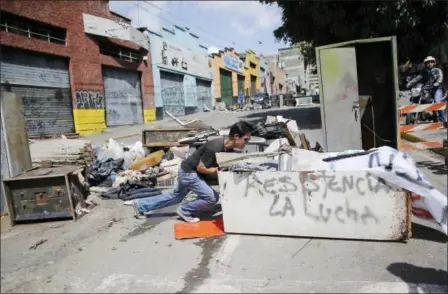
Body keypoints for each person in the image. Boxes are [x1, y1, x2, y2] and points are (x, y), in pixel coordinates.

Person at [131, 121, 252, 222]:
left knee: (176, 196)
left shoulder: (227, 147)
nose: (247, 143)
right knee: (211, 198)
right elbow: (201, 167)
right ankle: (185, 210)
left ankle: (141, 205)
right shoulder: (215, 147)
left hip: (187, 170)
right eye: (245, 140)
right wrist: (216, 171)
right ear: (236, 137)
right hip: (190, 173)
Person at [407, 56, 446, 124]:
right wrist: (409, 83)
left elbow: (440, 78)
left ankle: (443, 121)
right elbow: (417, 78)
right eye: (428, 62)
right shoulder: (423, 72)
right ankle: (423, 113)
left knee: (437, 102)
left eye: (431, 62)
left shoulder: (438, 70)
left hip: (436, 89)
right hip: (426, 89)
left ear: (434, 63)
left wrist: (437, 83)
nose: (430, 63)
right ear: (425, 64)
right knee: (421, 99)